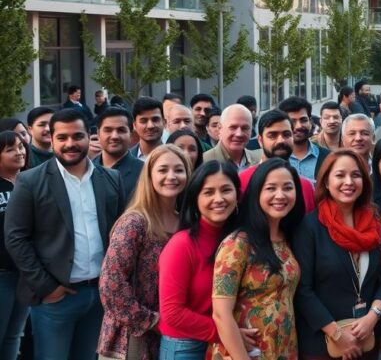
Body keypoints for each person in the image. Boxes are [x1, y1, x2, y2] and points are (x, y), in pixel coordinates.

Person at [4, 108, 126, 360]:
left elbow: (119, 234)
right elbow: (16, 238)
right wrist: (47, 287)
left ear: (88, 136)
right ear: (53, 139)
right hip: (55, 298)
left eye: (77, 136)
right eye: (62, 137)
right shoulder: (30, 181)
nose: (70, 143)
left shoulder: (111, 178)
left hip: (98, 296)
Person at [293, 149, 381, 359]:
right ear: (326, 183)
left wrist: (373, 317)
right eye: (340, 175)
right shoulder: (310, 227)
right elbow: (303, 290)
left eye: (356, 175)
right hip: (322, 342)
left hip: (366, 338)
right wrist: (337, 334)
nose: (349, 181)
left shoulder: (374, 225)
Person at [98, 144, 192, 360]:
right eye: (163, 170)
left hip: (173, 336)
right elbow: (111, 284)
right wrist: (150, 320)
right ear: (149, 176)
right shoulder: (134, 222)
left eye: (179, 169)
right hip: (131, 336)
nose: (171, 176)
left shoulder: (185, 223)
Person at [211, 159, 304, 360]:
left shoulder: (288, 239)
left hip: (283, 349)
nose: (280, 195)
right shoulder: (238, 244)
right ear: (257, 193)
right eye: (271, 188)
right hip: (244, 353)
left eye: (288, 188)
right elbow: (221, 314)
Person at [158, 161, 249, 360]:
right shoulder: (182, 245)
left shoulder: (239, 240)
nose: (219, 199)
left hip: (222, 341)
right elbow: (172, 312)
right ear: (195, 199)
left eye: (226, 190)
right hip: (185, 347)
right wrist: (225, 332)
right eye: (208, 192)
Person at [245, 110, 316, 214]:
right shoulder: (244, 182)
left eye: (286, 135)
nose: (280, 140)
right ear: (260, 140)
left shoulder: (305, 187)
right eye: (272, 135)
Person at [0, 131, 29, 360]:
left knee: (14, 336)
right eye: (10, 149)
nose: (19, 152)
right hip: (2, 275)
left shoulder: (30, 181)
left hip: (26, 275)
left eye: (20, 146)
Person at [94, 106, 145, 199]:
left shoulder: (144, 172)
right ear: (98, 134)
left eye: (121, 130)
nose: (114, 136)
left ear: (131, 135)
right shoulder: (88, 169)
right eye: (108, 130)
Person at [203, 104, 262, 170]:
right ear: (220, 128)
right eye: (233, 127)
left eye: (245, 128)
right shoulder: (204, 161)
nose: (239, 134)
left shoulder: (260, 160)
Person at [130, 97, 165, 161]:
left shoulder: (175, 157)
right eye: (144, 121)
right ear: (134, 125)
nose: (150, 126)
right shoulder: (127, 159)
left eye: (155, 120)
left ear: (164, 122)